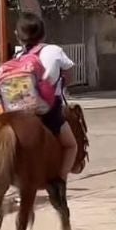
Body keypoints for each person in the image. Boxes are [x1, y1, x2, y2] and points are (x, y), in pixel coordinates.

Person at [14, 13, 78, 180]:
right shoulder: (54, 50)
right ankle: (60, 180)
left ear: (17, 36)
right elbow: (70, 76)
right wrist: (59, 86)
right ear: (43, 34)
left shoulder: (17, 57)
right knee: (71, 145)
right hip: (48, 110)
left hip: (20, 110)